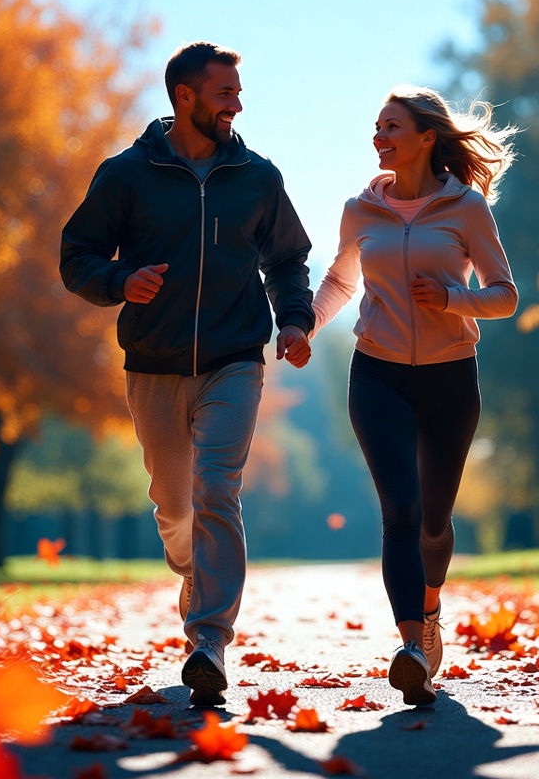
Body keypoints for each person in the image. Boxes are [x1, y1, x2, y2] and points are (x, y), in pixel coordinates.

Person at [60, 41, 314, 706]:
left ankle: (209, 641)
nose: (237, 102)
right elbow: (77, 256)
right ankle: (192, 572)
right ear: (186, 97)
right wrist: (119, 279)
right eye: (225, 92)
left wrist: (293, 320)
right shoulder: (125, 176)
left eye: (237, 91)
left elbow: (288, 261)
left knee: (215, 491)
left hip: (234, 360)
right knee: (175, 508)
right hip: (154, 365)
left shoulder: (256, 178)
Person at [311, 85, 517, 705]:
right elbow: (341, 280)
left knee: (433, 521)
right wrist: (304, 326)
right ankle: (409, 649)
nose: (380, 136)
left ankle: (429, 614)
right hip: (376, 373)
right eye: (377, 126)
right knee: (399, 511)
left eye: (392, 126)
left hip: (451, 375)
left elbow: (504, 293)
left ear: (427, 137)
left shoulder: (466, 209)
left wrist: (453, 299)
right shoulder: (360, 210)